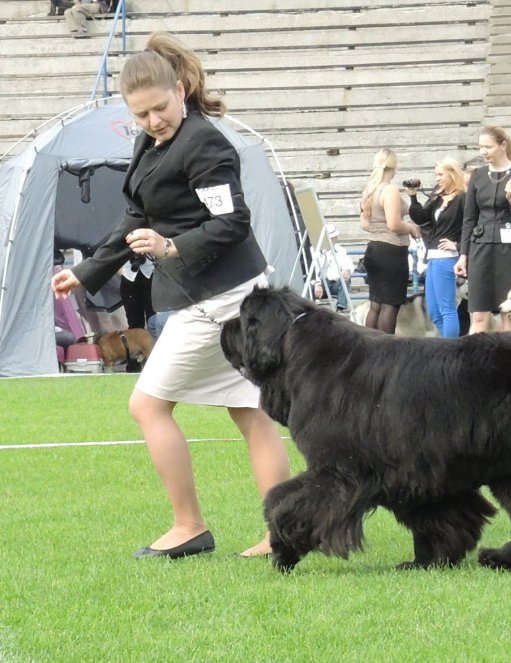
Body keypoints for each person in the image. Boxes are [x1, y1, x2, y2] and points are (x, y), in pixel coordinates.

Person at [51, 32, 290, 559]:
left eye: (160, 108)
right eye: (141, 115)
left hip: (218, 300)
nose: (153, 121)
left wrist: (171, 246)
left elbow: (232, 221)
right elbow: (136, 216)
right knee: (251, 411)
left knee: (148, 405)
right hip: (218, 296)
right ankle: (283, 533)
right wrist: (88, 271)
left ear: (180, 89)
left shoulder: (204, 142)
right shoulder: (154, 143)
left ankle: (190, 527)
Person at [455, 126, 511, 333]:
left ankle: (509, 362)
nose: (483, 151)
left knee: (509, 314)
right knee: (479, 315)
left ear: (503, 145)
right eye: (481, 147)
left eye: (488, 147)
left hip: (510, 250)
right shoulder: (478, 175)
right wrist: (463, 255)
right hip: (480, 247)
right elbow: (469, 219)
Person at [359, 148, 420, 334]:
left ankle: (369, 348)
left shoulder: (368, 190)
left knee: (375, 305)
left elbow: (364, 224)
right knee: (390, 305)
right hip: (391, 252)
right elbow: (394, 224)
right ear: (393, 167)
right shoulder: (390, 190)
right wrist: (410, 228)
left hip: (373, 249)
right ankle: (386, 350)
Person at [407, 158, 467, 337]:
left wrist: (456, 244)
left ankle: (452, 349)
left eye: (441, 174)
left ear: (452, 174)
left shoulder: (462, 198)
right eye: (436, 175)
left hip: (447, 257)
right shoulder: (439, 198)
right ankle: (449, 345)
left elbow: (469, 226)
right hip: (433, 257)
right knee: (434, 311)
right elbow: (421, 217)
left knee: (446, 308)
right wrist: (412, 195)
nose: (437, 179)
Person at [312, 223, 353, 312]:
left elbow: (347, 263)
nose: (335, 239)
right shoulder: (316, 252)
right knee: (311, 287)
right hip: (322, 282)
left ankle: (340, 308)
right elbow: (315, 270)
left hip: (335, 283)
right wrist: (317, 284)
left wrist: (347, 270)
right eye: (333, 238)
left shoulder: (340, 250)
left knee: (345, 280)